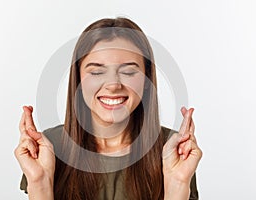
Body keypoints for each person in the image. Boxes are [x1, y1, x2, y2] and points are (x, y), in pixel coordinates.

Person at [14, 17, 202, 200]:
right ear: (78, 79)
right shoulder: (50, 147)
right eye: (96, 72)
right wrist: (39, 183)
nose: (113, 85)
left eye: (128, 71)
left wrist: (177, 184)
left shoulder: (173, 151)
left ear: (147, 79)